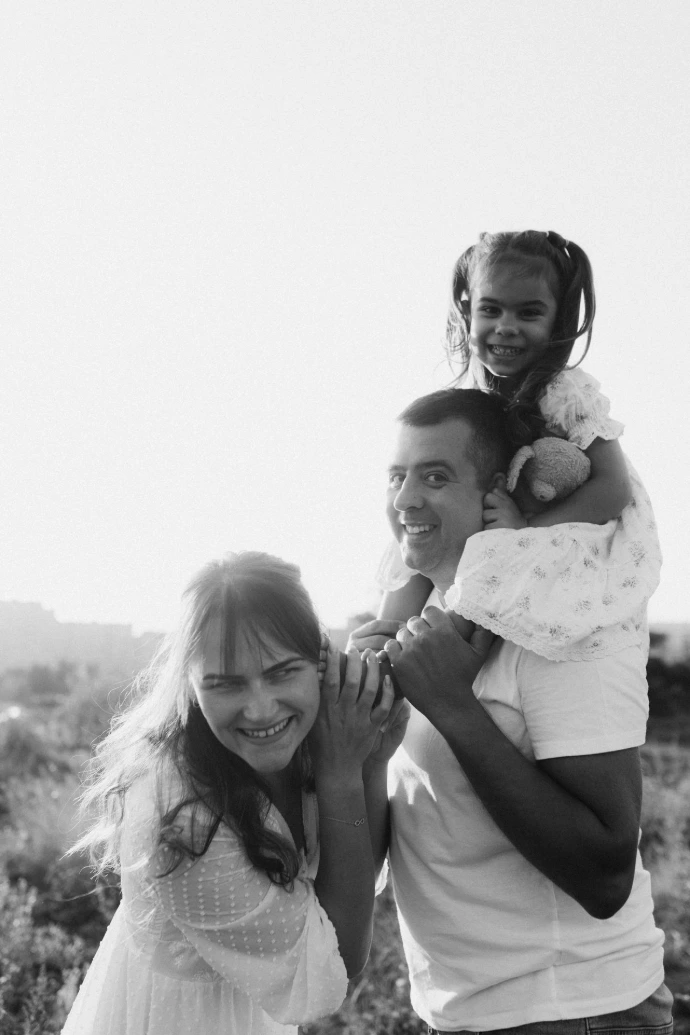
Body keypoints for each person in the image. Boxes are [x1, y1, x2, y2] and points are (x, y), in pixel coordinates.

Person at [350, 389, 672, 1033]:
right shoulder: (418, 625)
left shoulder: (561, 621)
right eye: (397, 475)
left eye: (435, 477)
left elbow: (606, 875)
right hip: (463, 1010)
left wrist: (453, 708)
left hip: (575, 1011)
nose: (406, 499)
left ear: (497, 490)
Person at [61, 551, 408, 1035]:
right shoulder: (180, 820)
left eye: (282, 672)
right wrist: (343, 772)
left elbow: (349, 885)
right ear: (191, 686)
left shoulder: (319, 738)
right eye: (226, 685)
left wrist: (370, 760)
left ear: (321, 664)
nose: (261, 710)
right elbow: (338, 965)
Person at [377, 230, 661, 663]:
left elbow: (612, 489)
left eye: (529, 313)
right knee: (418, 538)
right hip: (497, 516)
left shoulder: (565, 393)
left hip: (561, 522)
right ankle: (382, 647)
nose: (506, 326)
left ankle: (446, 646)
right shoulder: (474, 401)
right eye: (491, 309)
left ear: (556, 323)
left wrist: (525, 531)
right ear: (468, 311)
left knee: (488, 557)